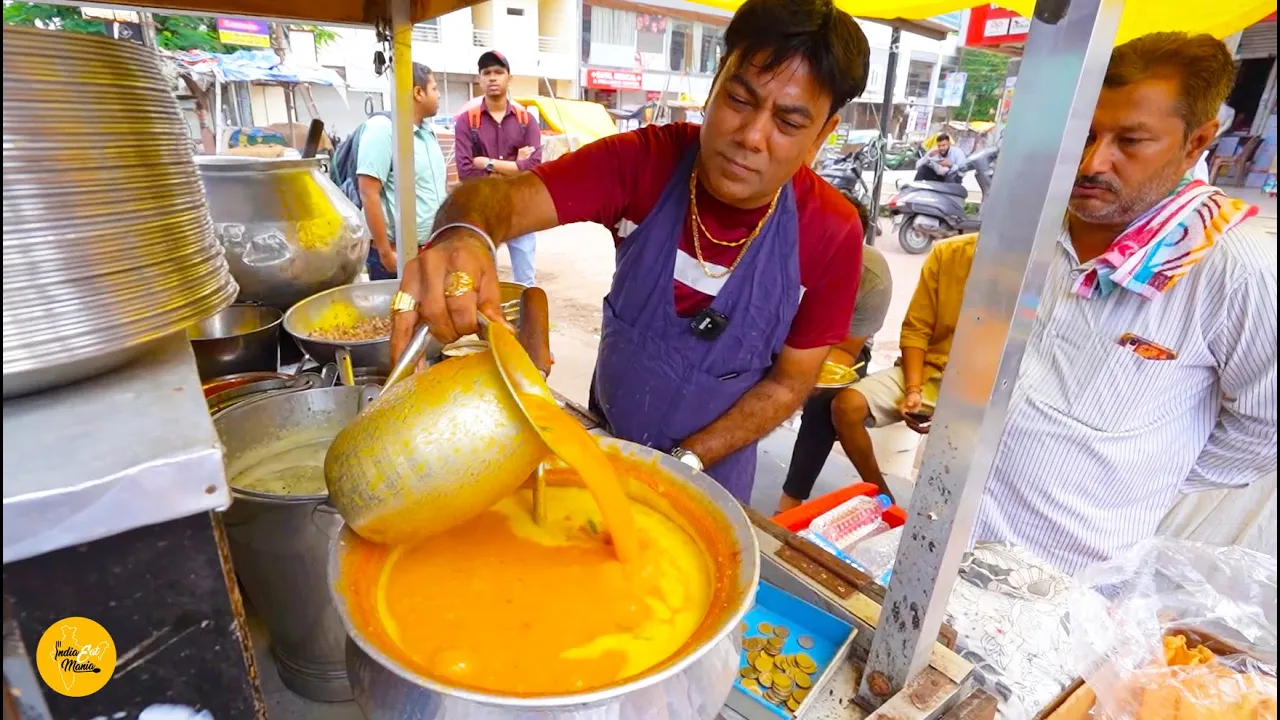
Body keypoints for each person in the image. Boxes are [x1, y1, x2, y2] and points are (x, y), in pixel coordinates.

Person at [390, 0, 872, 504]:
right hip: (603, 442)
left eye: (788, 123)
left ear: (821, 135)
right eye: (739, 99)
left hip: (710, 477)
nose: (750, 137)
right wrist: (462, 233)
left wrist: (686, 460)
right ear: (713, 86)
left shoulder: (832, 233)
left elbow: (790, 385)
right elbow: (499, 202)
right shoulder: (644, 160)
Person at [973, 32, 1276, 575]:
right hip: (950, 526)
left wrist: (1147, 469)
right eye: (1084, 135)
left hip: (1070, 579)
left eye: (1130, 141)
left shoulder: (1235, 269)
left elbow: (1263, 429)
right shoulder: (1030, 226)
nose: (1092, 163)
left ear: (1196, 142)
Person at [809, 232, 976, 503]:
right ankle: (882, 497)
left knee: (954, 453)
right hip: (932, 370)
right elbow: (916, 329)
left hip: (989, 388)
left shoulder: (1039, 268)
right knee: (846, 405)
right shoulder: (949, 253)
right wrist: (913, 389)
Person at [777, 200, 894, 512]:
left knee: (824, 403)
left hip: (832, 348)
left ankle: (791, 500)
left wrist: (803, 374)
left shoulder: (872, 278)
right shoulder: (782, 255)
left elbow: (845, 351)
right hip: (777, 335)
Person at [453, 51, 543, 287]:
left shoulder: (526, 120)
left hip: (520, 208)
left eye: (498, 72)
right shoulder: (467, 122)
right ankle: (489, 324)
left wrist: (486, 162)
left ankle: (526, 323)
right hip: (482, 210)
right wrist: (515, 167)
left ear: (509, 78)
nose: (493, 78)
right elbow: (465, 171)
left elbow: (533, 167)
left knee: (525, 281)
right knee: (483, 279)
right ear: (479, 79)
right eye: (487, 73)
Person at [356, 63, 447, 280]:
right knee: (398, 311)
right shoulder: (383, 130)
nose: (439, 95)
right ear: (418, 92)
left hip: (429, 249)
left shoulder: (427, 133)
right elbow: (369, 193)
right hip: (395, 253)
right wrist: (386, 252)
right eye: (434, 89)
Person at [1190, 102, 1236, 183]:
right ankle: (1204, 179)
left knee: (1195, 157)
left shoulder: (1210, 106)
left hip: (1201, 137)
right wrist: (1216, 134)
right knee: (1206, 160)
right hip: (1214, 140)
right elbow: (1226, 126)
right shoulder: (1231, 111)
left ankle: (1195, 177)